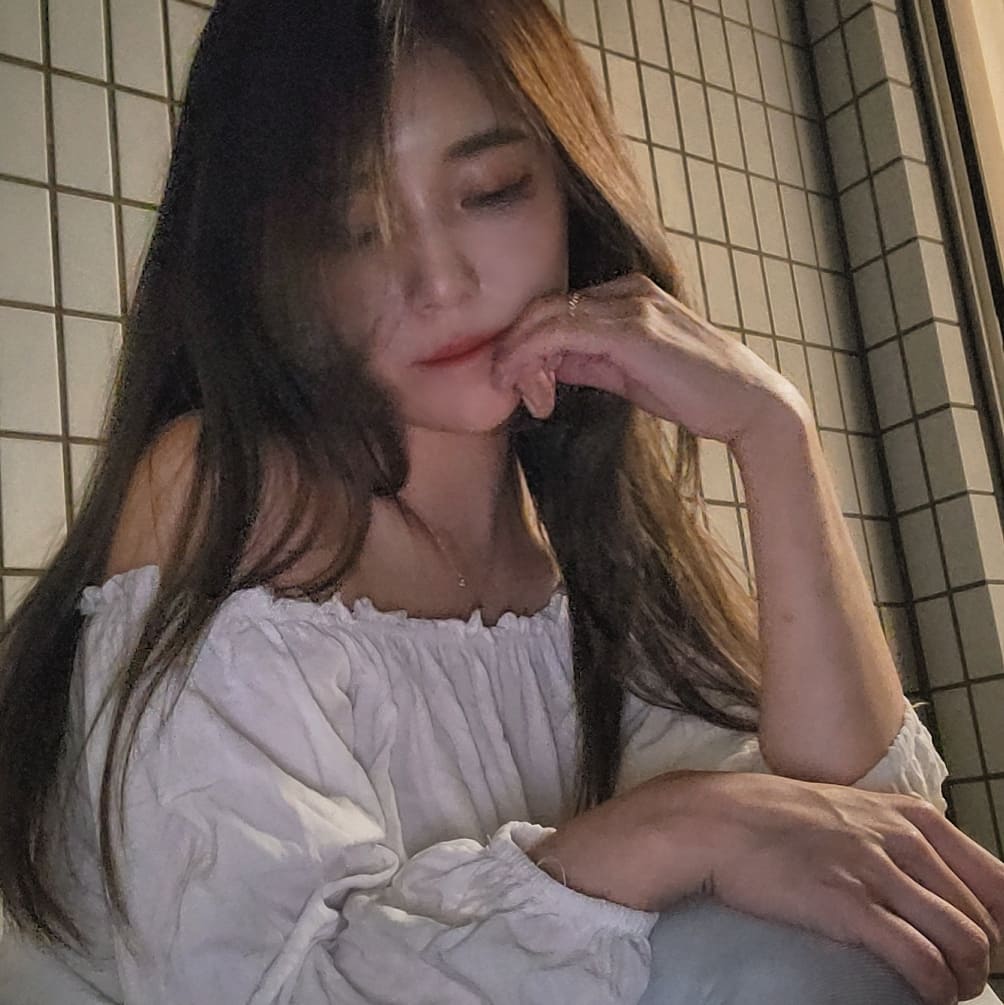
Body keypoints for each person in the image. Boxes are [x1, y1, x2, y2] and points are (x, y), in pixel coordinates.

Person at [0, 1, 1001, 1003]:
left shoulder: (589, 541)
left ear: (570, 189)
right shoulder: (225, 488)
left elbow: (877, 872)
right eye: (351, 227)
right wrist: (676, 826)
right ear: (264, 262)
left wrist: (774, 437)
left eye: (489, 191)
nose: (438, 279)